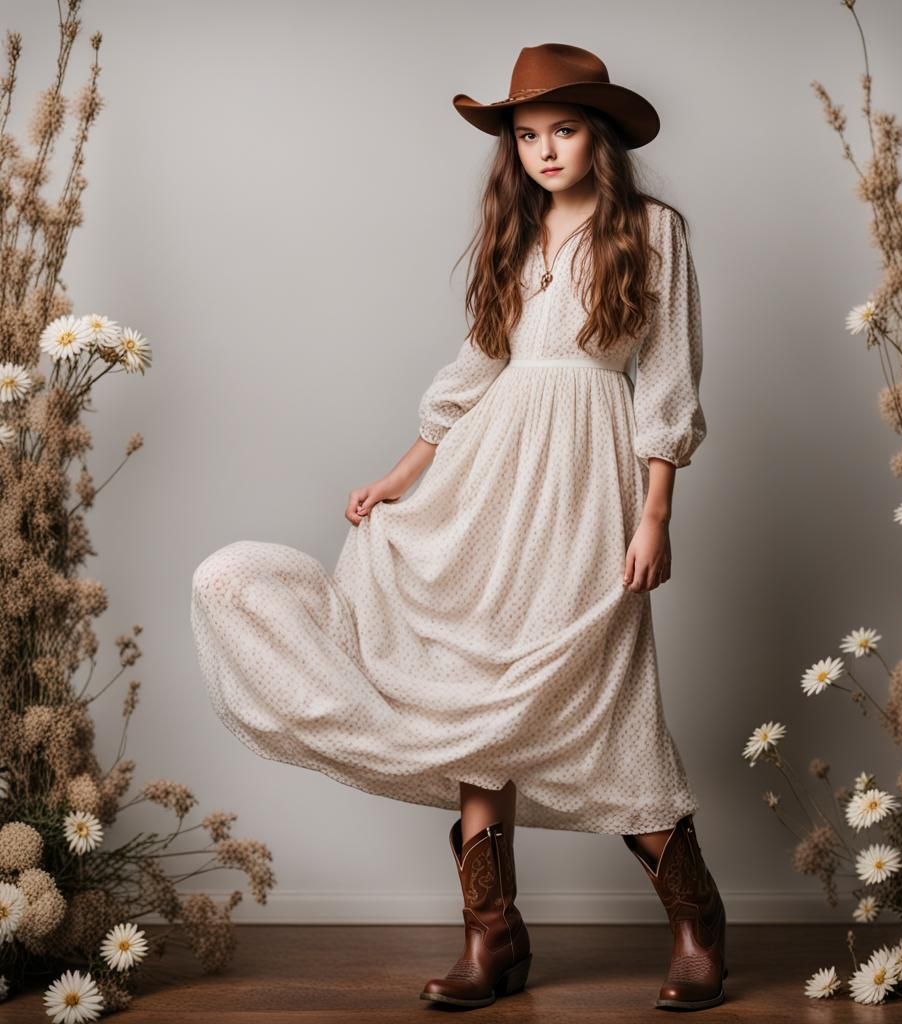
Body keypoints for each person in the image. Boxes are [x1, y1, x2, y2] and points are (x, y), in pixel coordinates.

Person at [190, 41, 726, 1013]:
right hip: (487, 481)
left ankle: (695, 919)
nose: (545, 152)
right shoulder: (514, 234)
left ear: (597, 135)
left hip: (586, 480)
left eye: (562, 131)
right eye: (526, 136)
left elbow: (669, 382)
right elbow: (478, 369)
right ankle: (493, 934)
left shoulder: (652, 229)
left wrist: (655, 513)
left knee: (596, 689)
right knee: (479, 681)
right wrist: (401, 474)